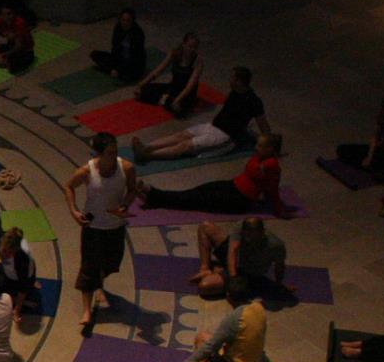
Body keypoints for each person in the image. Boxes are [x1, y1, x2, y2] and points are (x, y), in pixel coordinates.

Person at [64, 132, 139, 331]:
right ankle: (87, 310)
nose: (113, 156)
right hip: (93, 227)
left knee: (111, 262)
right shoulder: (86, 171)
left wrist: (125, 205)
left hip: (115, 226)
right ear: (99, 153)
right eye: (108, 153)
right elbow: (69, 187)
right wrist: (74, 210)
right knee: (88, 267)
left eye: (115, 152)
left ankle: (100, 283)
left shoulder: (127, 168)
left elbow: (132, 190)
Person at [133, 66, 270, 162]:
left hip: (224, 136)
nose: (229, 80)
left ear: (239, 81)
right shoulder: (235, 91)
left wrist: (269, 146)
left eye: (232, 78)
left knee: (184, 146)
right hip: (212, 126)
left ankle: (148, 155)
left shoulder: (253, 101)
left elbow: (263, 125)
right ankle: (146, 147)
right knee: (180, 135)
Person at [139, 132, 289, 217]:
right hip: (233, 185)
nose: (256, 148)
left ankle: (154, 194)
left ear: (271, 149)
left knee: (194, 199)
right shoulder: (260, 158)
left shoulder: (271, 165)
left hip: (239, 199)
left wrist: (279, 209)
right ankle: (155, 196)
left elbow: (273, 188)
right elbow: (253, 169)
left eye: (261, 146)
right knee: (197, 191)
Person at [183, 278, 268, 362]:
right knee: (202, 336)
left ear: (228, 296)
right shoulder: (259, 306)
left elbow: (212, 346)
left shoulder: (235, 318)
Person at [192, 217, 290, 298]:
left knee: (204, 287)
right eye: (247, 237)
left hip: (247, 272)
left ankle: (219, 271)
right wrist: (233, 277)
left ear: (262, 232)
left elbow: (279, 266)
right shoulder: (240, 226)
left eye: (254, 238)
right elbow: (232, 251)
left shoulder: (276, 245)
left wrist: (278, 285)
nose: (250, 241)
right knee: (205, 226)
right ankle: (205, 269)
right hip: (236, 260)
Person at [133, 31, 203, 115]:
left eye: (195, 47)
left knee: (178, 109)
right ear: (184, 44)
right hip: (173, 87)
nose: (192, 50)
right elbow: (158, 71)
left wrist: (177, 100)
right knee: (145, 89)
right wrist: (141, 85)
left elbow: (189, 86)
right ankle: (165, 100)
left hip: (186, 94)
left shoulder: (198, 62)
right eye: (190, 46)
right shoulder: (175, 53)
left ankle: (164, 100)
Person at [0, 227, 40, 326]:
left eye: (8, 252)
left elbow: (23, 288)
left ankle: (22, 298)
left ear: (15, 250)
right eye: (3, 250)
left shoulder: (23, 258)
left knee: (20, 288)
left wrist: (17, 310)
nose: (4, 254)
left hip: (22, 275)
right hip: (8, 267)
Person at [90, 8, 148, 82]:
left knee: (130, 74)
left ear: (132, 21)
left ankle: (115, 71)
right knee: (95, 54)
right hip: (120, 59)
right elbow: (115, 48)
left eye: (128, 20)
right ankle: (114, 71)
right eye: (123, 20)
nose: (125, 23)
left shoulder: (138, 33)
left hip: (132, 62)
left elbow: (135, 56)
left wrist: (118, 68)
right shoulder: (118, 28)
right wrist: (116, 65)